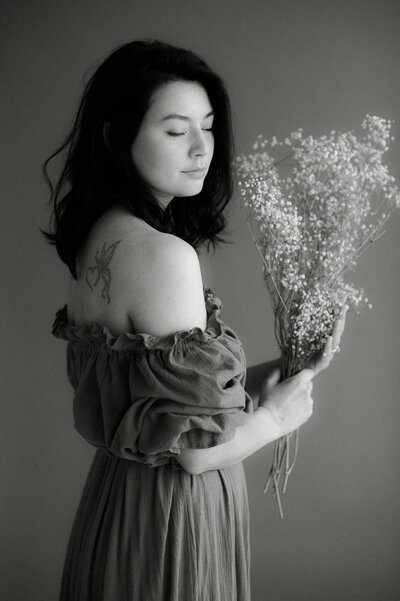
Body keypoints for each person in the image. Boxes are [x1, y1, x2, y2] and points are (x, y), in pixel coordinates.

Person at [43, 39, 346, 601]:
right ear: (116, 137)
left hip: (116, 505)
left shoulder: (93, 240)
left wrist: (276, 371)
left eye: (208, 127)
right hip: (170, 519)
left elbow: (158, 406)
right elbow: (191, 453)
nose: (203, 149)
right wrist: (275, 422)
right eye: (177, 131)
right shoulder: (163, 255)